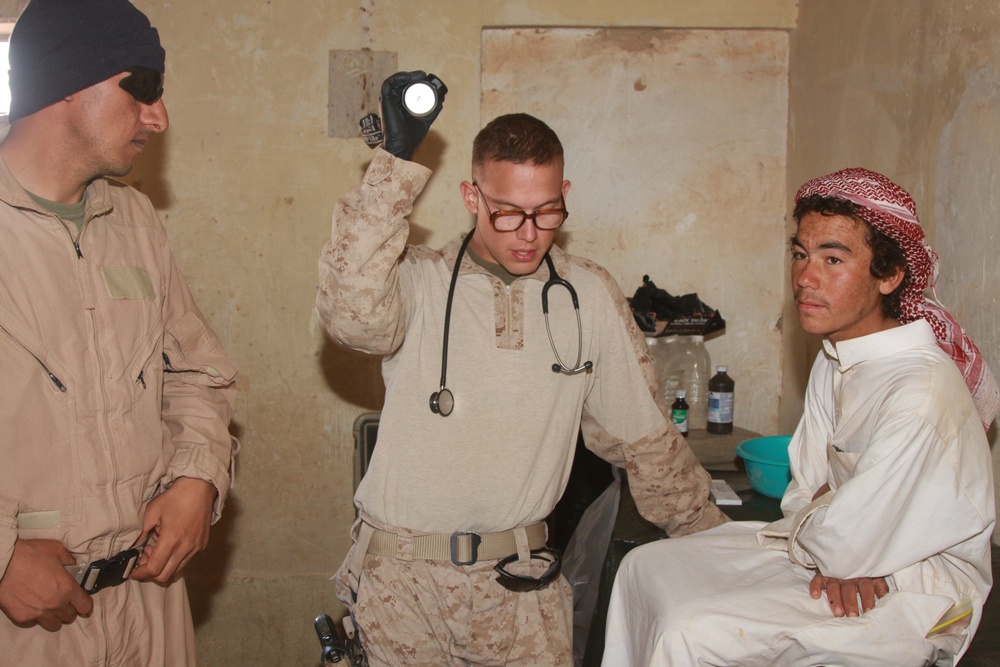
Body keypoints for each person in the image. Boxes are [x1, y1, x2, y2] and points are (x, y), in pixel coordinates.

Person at [315, 71, 727, 666]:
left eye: (547, 211)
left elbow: (646, 438)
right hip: (404, 588)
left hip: (521, 592)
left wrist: (715, 544)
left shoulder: (586, 294)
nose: (529, 234)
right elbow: (351, 315)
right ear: (471, 197)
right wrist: (393, 164)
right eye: (507, 212)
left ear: (565, 194)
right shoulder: (418, 281)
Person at [602, 167, 999, 667]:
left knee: (693, 631)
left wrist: (851, 540)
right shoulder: (836, 357)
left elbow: (843, 539)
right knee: (644, 566)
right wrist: (841, 526)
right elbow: (803, 494)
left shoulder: (919, 394)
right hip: (831, 553)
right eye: (801, 254)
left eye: (833, 258)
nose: (806, 278)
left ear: (890, 275)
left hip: (919, 589)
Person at [0, 0, 239, 664]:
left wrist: (196, 478)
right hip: (25, 623)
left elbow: (199, 372)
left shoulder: (133, 219)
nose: (159, 117)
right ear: (67, 84)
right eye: (142, 90)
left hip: (145, 600)